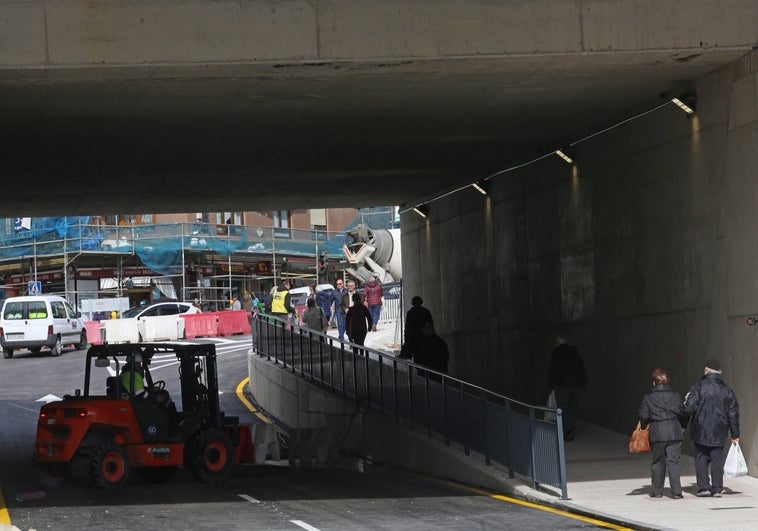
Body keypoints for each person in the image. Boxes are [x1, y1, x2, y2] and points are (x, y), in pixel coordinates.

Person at [682, 358, 740, 498]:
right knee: (717, 459)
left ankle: (703, 488)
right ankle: (717, 489)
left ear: (706, 370)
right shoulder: (727, 390)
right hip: (720, 430)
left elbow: (689, 407)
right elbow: (733, 413)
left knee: (701, 458)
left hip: (700, 429)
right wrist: (735, 434)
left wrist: (682, 422)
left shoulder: (698, 386)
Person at [638, 368, 687, 499]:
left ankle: (657, 491)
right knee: (674, 462)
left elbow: (643, 416)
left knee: (658, 462)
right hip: (675, 432)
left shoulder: (648, 398)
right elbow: (682, 412)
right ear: (667, 381)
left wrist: (647, 423)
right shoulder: (675, 396)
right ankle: (677, 492)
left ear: (654, 382)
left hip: (657, 433)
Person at [548, 336, 587, 441]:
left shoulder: (557, 353)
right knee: (572, 409)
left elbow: (553, 369)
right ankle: (570, 430)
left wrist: (551, 385)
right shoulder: (575, 353)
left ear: (557, 343)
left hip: (562, 386)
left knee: (562, 409)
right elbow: (581, 368)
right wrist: (583, 382)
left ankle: (565, 432)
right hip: (575, 385)